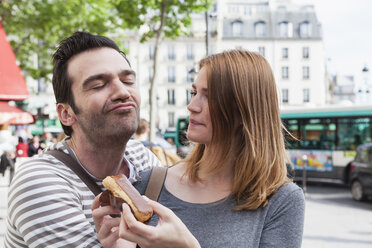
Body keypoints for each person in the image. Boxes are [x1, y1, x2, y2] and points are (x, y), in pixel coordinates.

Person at [92, 50, 305, 248]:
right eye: (194, 92)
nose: (192, 105)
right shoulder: (150, 184)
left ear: (244, 110)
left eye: (209, 96)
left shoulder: (281, 200)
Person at [4, 31, 162, 247]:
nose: (122, 91)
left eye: (128, 80)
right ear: (66, 113)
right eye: (98, 85)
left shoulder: (143, 159)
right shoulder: (40, 182)